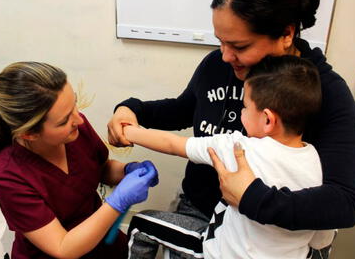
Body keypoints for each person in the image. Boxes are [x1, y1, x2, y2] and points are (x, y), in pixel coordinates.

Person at [107, 0, 355, 258]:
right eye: (220, 42)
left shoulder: (324, 92)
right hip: (200, 214)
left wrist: (251, 198)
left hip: (273, 242)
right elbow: (183, 109)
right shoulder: (217, 65)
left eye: (239, 46)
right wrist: (132, 109)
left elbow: (345, 203)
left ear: (286, 33)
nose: (226, 55)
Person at [123, 55, 335, 258]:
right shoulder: (318, 163)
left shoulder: (239, 148)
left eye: (245, 107)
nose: (241, 113)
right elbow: (321, 240)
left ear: (268, 120)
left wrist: (128, 131)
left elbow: (173, 144)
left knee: (141, 223)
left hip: (220, 253)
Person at [0, 61, 159, 259]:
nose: (79, 119)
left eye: (74, 104)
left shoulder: (74, 130)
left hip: (101, 239)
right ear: (30, 134)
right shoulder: (9, 176)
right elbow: (62, 247)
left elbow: (100, 168)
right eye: (64, 120)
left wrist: (127, 171)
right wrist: (117, 201)